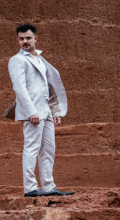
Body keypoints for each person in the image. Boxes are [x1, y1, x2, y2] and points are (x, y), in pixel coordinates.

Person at [5, 23, 74, 197]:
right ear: (18, 40)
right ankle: (30, 188)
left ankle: (49, 187)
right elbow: (19, 88)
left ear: (36, 38)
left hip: (46, 111)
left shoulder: (41, 60)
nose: (25, 41)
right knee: (31, 147)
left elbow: (48, 86)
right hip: (33, 112)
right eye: (21, 39)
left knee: (48, 149)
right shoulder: (17, 60)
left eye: (28, 38)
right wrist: (31, 112)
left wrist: (55, 111)